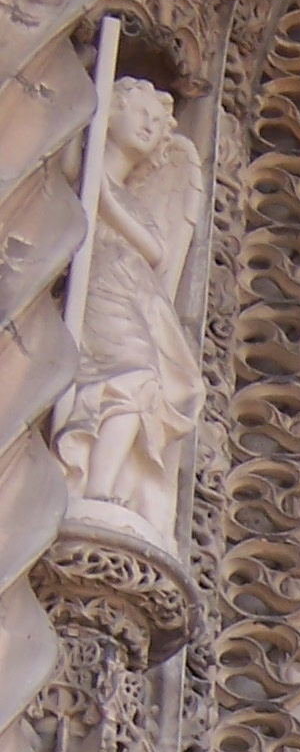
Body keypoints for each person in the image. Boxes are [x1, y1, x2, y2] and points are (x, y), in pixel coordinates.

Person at [55, 79, 204, 550]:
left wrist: (102, 194)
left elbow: (158, 250)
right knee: (122, 376)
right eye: (140, 112)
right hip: (94, 284)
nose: (149, 126)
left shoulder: (130, 197)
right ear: (110, 111)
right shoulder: (79, 167)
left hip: (131, 292)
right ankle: (88, 487)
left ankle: (104, 487)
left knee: (143, 381)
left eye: (157, 123)